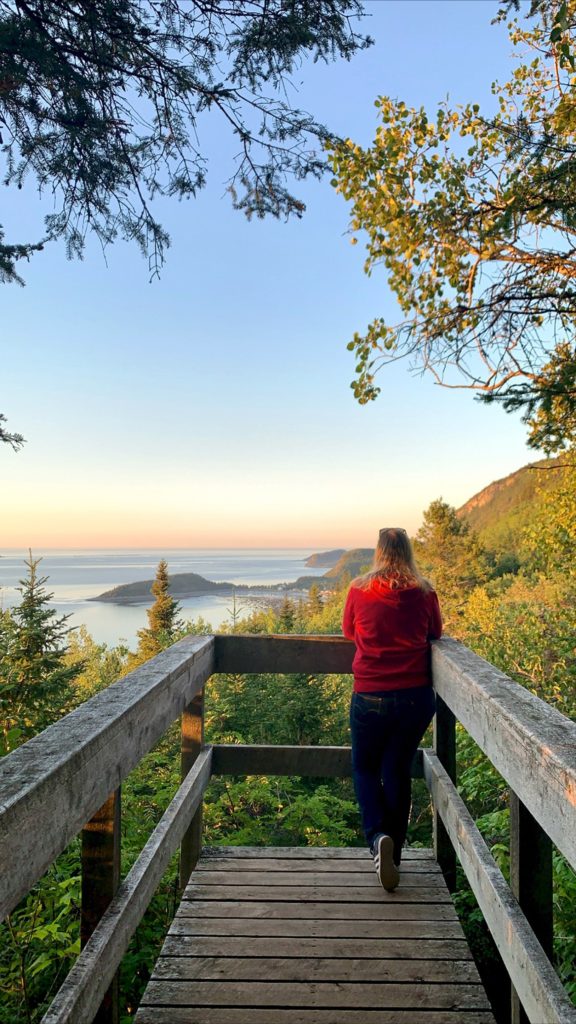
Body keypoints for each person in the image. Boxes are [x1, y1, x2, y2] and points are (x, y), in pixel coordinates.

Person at [342, 527, 442, 892]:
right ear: (408, 550)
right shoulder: (425, 591)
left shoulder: (359, 589)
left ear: (379, 551)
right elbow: (437, 633)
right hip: (415, 697)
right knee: (396, 771)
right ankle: (394, 856)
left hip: (369, 694)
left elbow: (348, 631)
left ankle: (376, 839)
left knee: (364, 768)